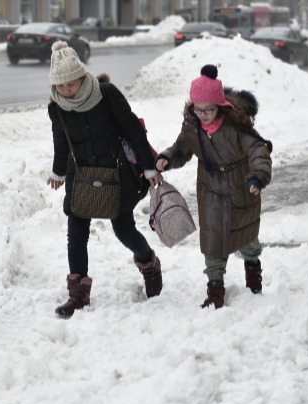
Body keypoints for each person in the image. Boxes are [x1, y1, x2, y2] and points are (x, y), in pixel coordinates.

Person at [46, 41, 163, 318]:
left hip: (116, 174)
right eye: (60, 86)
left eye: (71, 84)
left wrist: (148, 166)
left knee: (123, 231)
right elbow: (60, 142)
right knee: (76, 235)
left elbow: (133, 129)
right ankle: (77, 295)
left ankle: (149, 263)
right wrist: (58, 171)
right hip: (81, 176)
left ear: (81, 76)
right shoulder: (58, 107)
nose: (66, 91)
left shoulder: (106, 94)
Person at [155, 65, 272, 309]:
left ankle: (253, 270)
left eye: (209, 109)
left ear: (219, 106)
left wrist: (258, 176)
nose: (204, 114)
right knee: (213, 238)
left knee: (246, 235)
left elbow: (257, 150)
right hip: (210, 189)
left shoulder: (235, 125)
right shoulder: (192, 126)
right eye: (198, 109)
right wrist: (167, 157)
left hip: (241, 184)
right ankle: (215, 289)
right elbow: (181, 149)